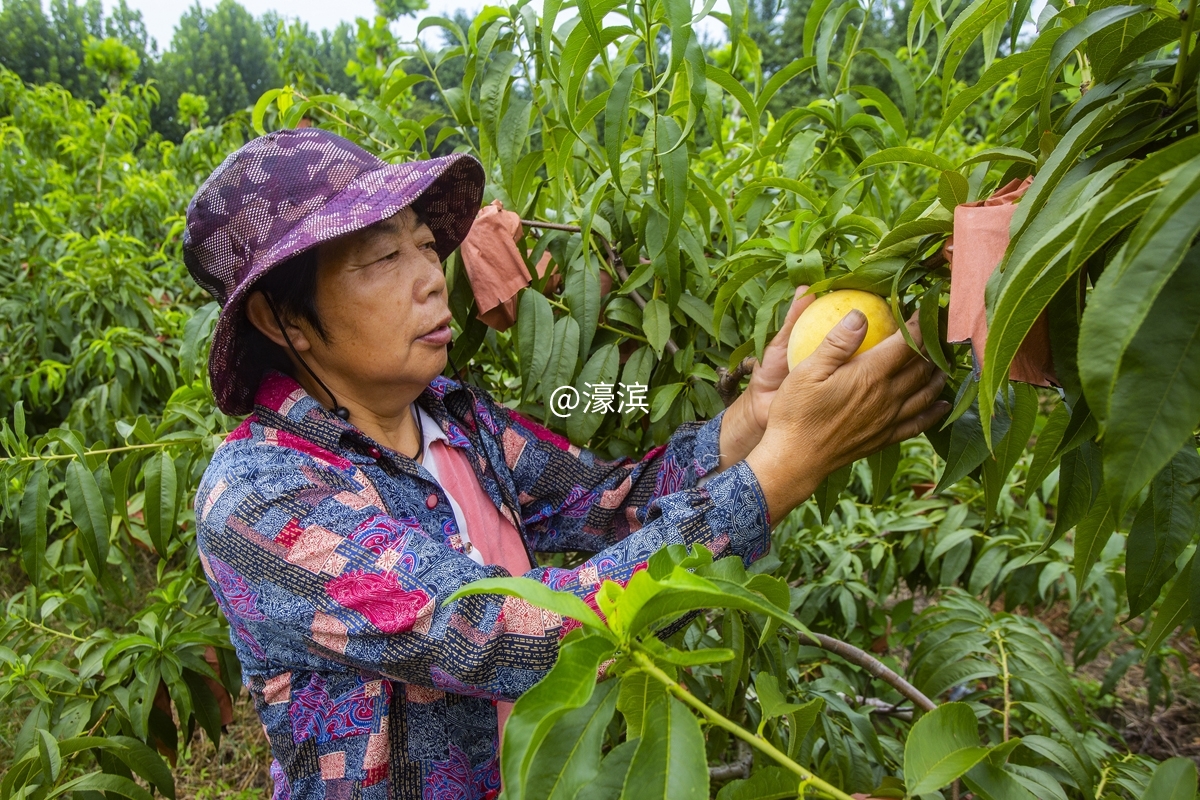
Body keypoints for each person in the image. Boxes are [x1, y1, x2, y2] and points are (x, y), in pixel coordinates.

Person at [184, 128, 948, 800]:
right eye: (383, 256)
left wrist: (758, 414)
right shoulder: (260, 498)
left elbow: (611, 500)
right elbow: (496, 630)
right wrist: (782, 473)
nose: (429, 276)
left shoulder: (455, 419)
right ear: (282, 319)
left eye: (424, 244)